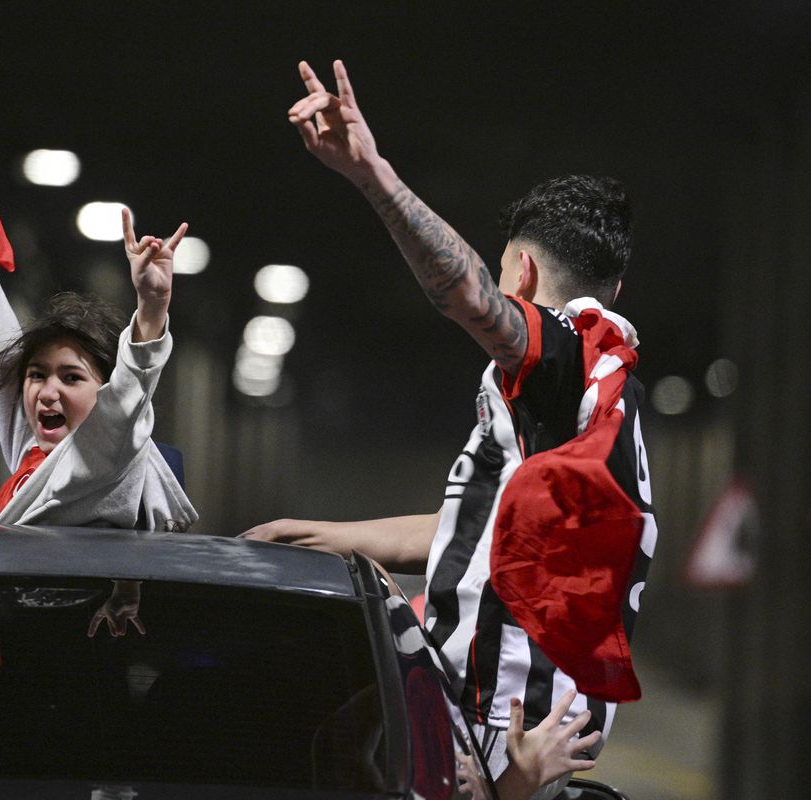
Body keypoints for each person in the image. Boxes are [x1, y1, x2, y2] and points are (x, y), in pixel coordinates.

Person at [243, 61, 655, 800]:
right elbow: (473, 531)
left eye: (503, 277)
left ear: (521, 275)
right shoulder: (590, 406)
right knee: (334, 739)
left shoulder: (573, 358)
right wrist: (324, 538)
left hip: (501, 738)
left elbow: (466, 294)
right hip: (495, 727)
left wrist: (372, 174)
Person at [0, 150, 198, 635]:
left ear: (105, 392)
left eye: (71, 377)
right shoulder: (34, 450)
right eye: (37, 374)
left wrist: (152, 306)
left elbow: (130, 389)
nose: (47, 392)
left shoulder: (101, 457)